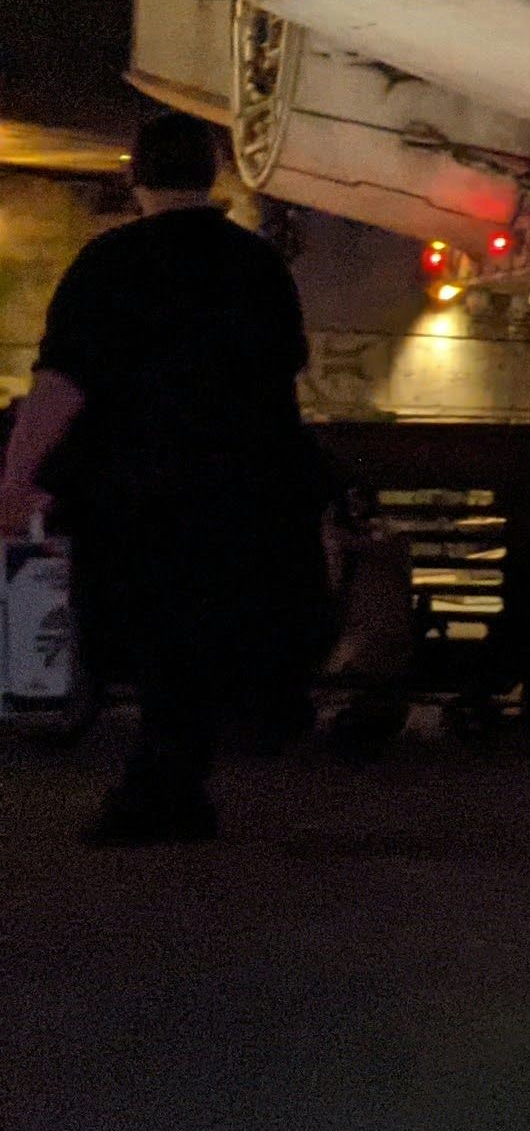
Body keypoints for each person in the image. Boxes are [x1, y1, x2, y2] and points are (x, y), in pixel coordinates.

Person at [0, 114, 334, 846]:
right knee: (208, 629)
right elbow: (284, 373)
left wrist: (19, 475)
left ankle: (161, 788)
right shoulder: (256, 266)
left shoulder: (108, 264)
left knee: (157, 638)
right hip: (246, 484)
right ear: (212, 175)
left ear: (135, 176)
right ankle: (183, 773)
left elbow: (63, 381)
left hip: (139, 489)